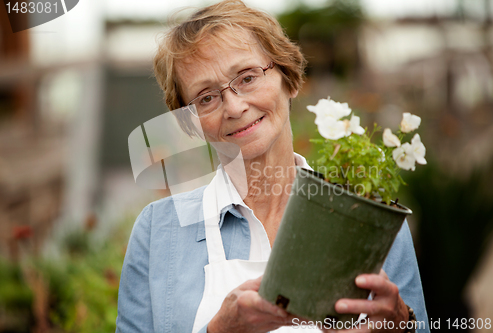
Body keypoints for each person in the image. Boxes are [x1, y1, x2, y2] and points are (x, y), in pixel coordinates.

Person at [116, 1, 430, 332]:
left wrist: (402, 324)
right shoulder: (157, 232)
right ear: (190, 124)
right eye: (205, 98)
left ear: (290, 79)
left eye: (248, 78)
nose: (234, 107)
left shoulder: (371, 221)